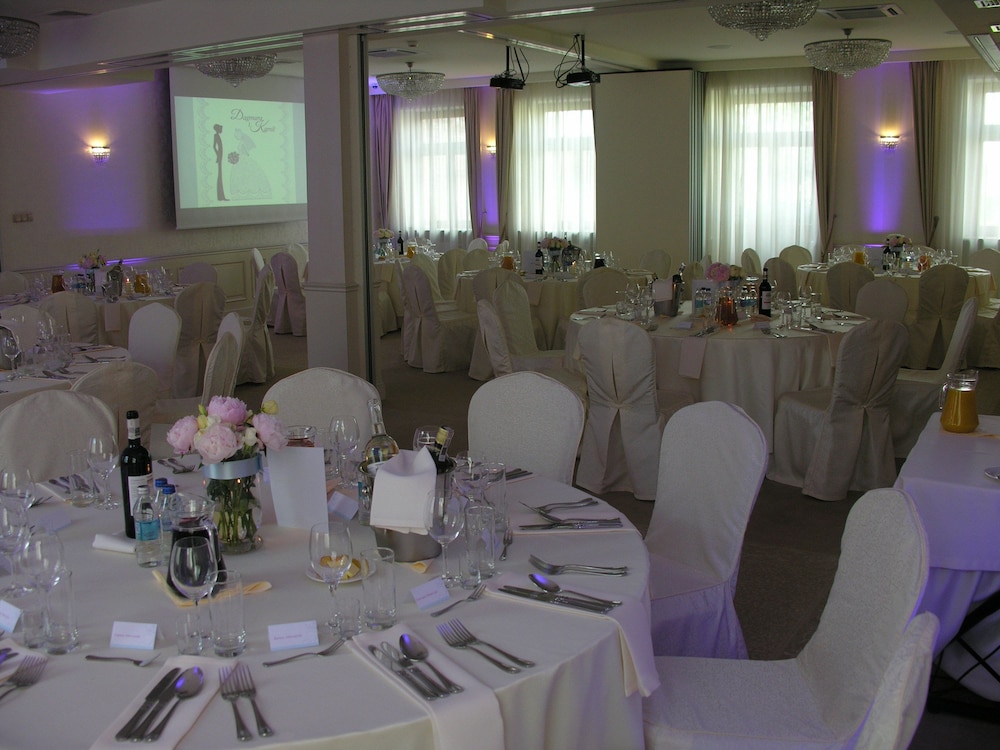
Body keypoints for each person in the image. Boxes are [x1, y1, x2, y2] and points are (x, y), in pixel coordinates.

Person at [213, 123, 228, 201]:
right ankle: (220, 197)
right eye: (220, 129)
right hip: (219, 155)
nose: (221, 130)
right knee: (219, 175)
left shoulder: (218, 136)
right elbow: (214, 146)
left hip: (220, 155)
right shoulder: (216, 136)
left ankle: (221, 197)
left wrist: (219, 155)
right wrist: (217, 155)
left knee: (220, 174)